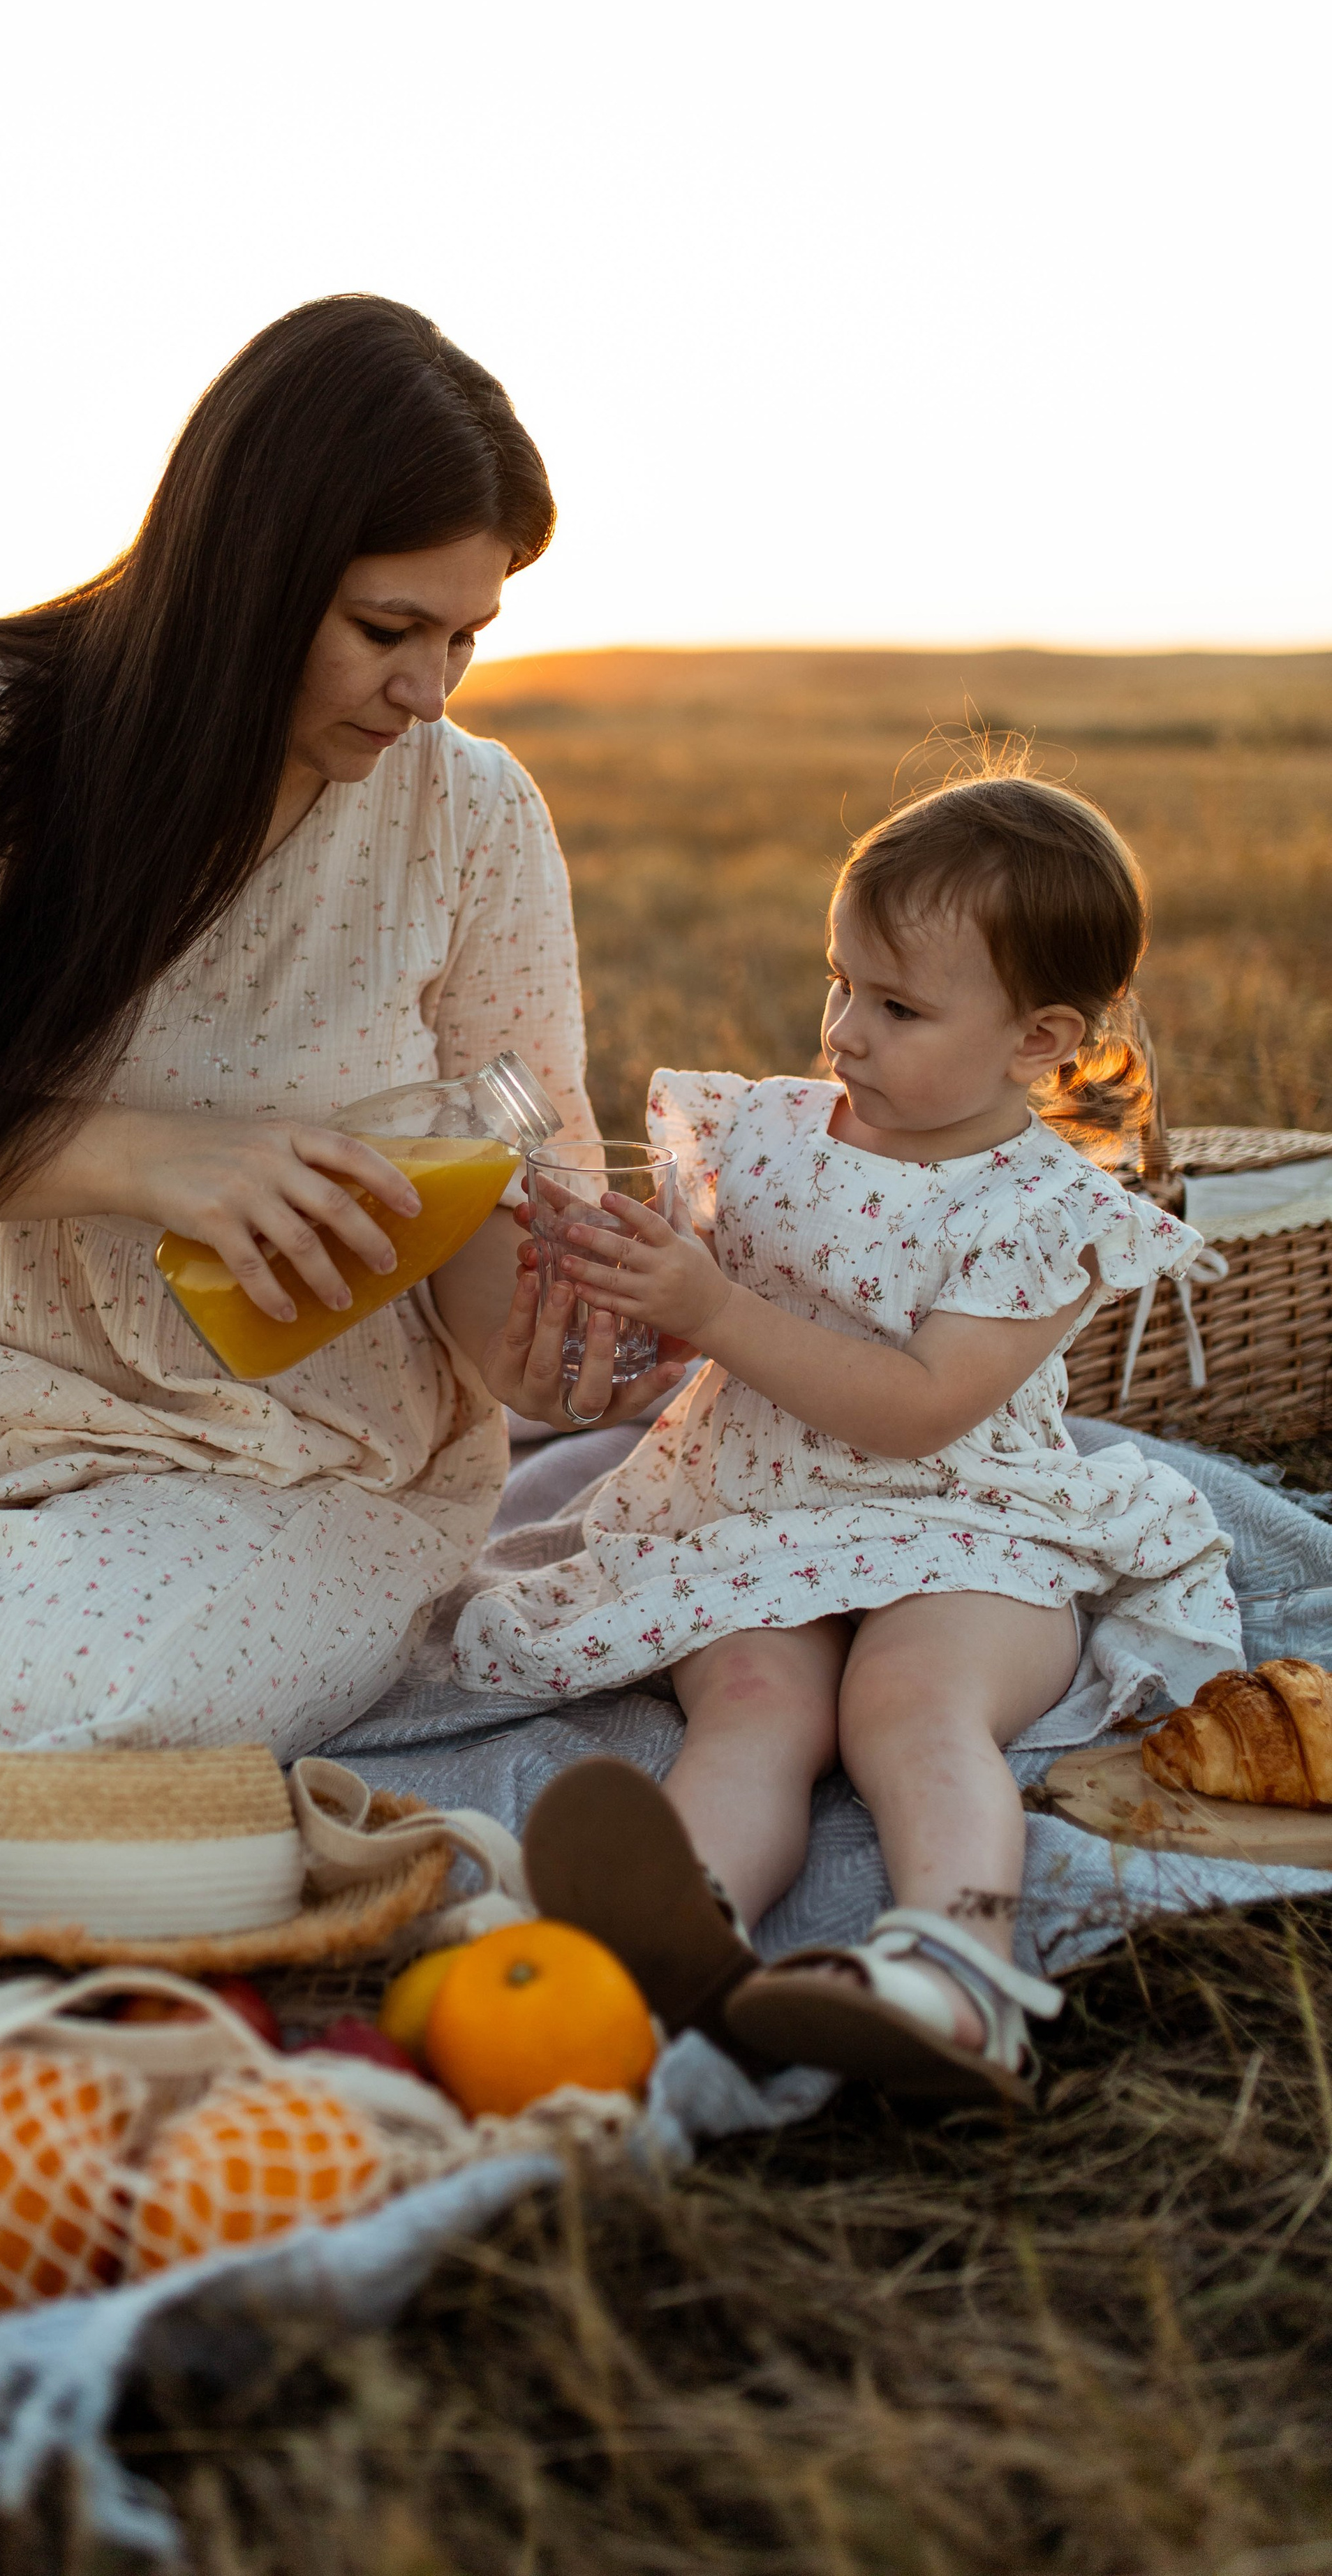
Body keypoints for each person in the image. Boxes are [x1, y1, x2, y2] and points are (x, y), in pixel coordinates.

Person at [0, 295, 684, 1837]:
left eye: (467, 638)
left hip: (296, 1453)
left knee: (57, 1718)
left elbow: (498, 1224)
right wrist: (145, 1159)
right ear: (245, 573)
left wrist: (546, 1355)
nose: (430, 691)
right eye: (386, 631)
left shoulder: (470, 816)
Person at [457, 764, 1241, 2101]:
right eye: (839, 981)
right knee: (758, 1705)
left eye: (898, 1005)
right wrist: (632, 1289)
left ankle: (956, 1967)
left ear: (1040, 1040)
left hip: (968, 1521)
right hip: (756, 1503)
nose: (845, 1030)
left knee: (910, 1704)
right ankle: (664, 1948)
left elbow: (921, 1406)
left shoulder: (1043, 1209)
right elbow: (690, 1328)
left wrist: (714, 1304)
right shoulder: (764, 1137)